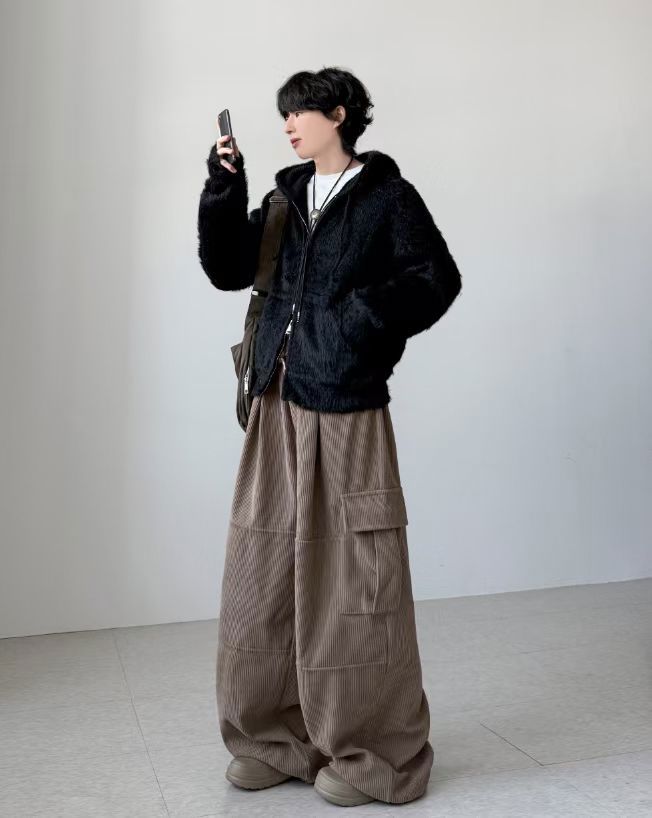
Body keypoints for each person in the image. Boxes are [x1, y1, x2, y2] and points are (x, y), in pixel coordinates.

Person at [197, 66, 462, 807]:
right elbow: (228, 270)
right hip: (275, 399)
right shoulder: (285, 196)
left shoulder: (387, 198)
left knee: (355, 580)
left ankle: (374, 750)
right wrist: (225, 188)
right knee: (263, 569)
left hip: (345, 405)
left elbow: (435, 278)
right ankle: (275, 738)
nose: (288, 125)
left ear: (338, 115)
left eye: (300, 112)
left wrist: (354, 324)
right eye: (283, 115)